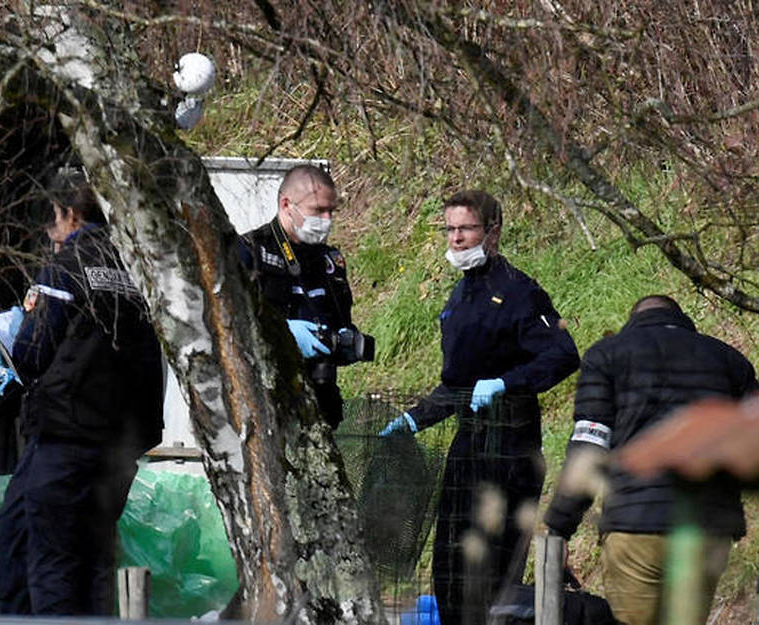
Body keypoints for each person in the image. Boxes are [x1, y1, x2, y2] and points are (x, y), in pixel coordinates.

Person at [379, 189, 579, 625]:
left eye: (466, 228)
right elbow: (457, 382)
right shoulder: (459, 297)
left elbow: (563, 355)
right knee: (450, 570)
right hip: (468, 448)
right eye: (450, 230)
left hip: (511, 451)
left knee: (489, 577)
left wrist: (507, 383)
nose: (456, 239)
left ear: (492, 232)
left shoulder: (520, 292)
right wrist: (416, 417)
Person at [0, 171, 164, 615]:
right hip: (121, 443)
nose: (50, 235)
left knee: (51, 564)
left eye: (51, 223)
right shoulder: (136, 267)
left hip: (66, 439)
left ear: (69, 214)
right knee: (92, 560)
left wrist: (5, 357)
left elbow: (31, 352)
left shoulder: (64, 267)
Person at [545, 295, 756, 625]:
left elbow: (589, 447)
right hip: (706, 526)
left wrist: (559, 527)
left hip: (636, 524)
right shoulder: (729, 360)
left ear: (633, 321)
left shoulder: (606, 356)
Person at [239, 164, 368, 427]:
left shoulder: (328, 260)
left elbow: (340, 322)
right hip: (264, 400)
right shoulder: (250, 251)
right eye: (318, 211)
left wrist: (345, 342)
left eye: (332, 211)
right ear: (287, 205)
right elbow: (227, 324)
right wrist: (279, 332)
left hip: (318, 398)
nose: (327, 219)